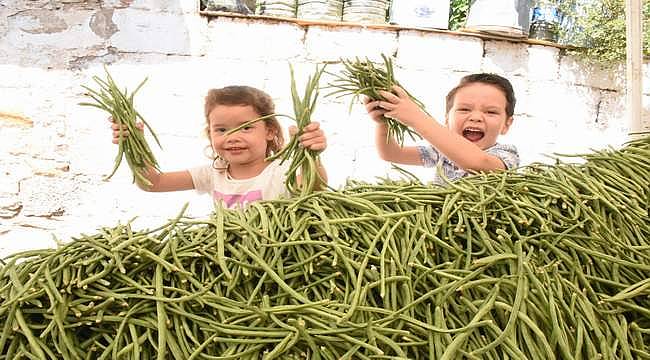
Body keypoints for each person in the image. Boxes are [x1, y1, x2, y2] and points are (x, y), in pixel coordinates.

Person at [111, 85, 328, 208]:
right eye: (221, 130)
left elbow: (314, 188)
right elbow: (153, 183)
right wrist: (133, 143)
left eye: (245, 128)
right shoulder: (214, 172)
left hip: (275, 262)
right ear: (209, 132)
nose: (232, 137)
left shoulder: (282, 171)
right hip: (227, 268)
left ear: (269, 131)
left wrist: (312, 154)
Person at [365, 73, 519, 183]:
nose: (476, 117)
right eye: (464, 109)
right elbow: (392, 154)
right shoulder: (441, 153)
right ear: (447, 119)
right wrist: (383, 122)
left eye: (491, 112)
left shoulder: (505, 155)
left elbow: (478, 162)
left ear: (506, 125)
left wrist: (417, 118)